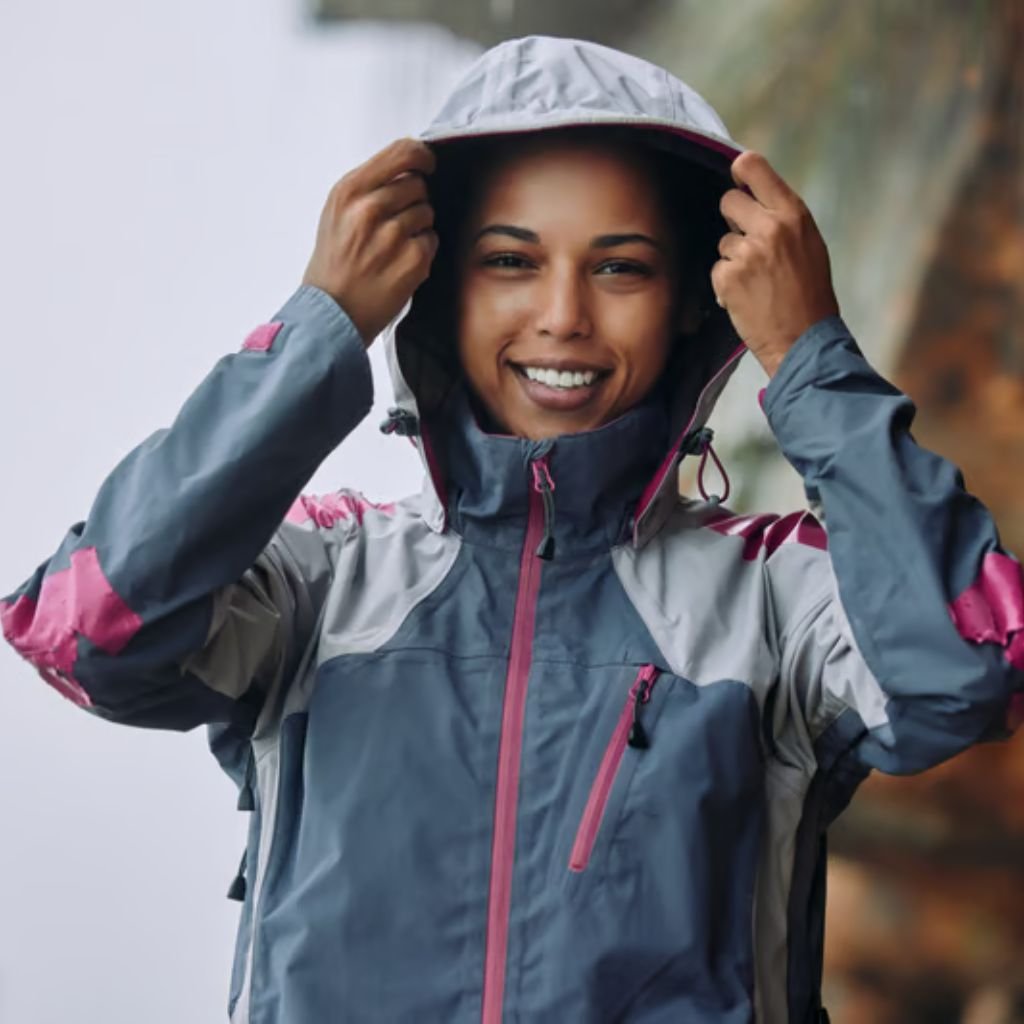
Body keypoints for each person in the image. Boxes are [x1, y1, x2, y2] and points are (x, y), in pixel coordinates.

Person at [2, 34, 1021, 1024]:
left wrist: (807, 358)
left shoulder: (769, 595)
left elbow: (968, 664)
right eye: (509, 262)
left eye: (619, 268)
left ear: (687, 305)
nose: (564, 314)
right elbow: (87, 626)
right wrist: (318, 329)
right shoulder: (322, 580)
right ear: (434, 291)